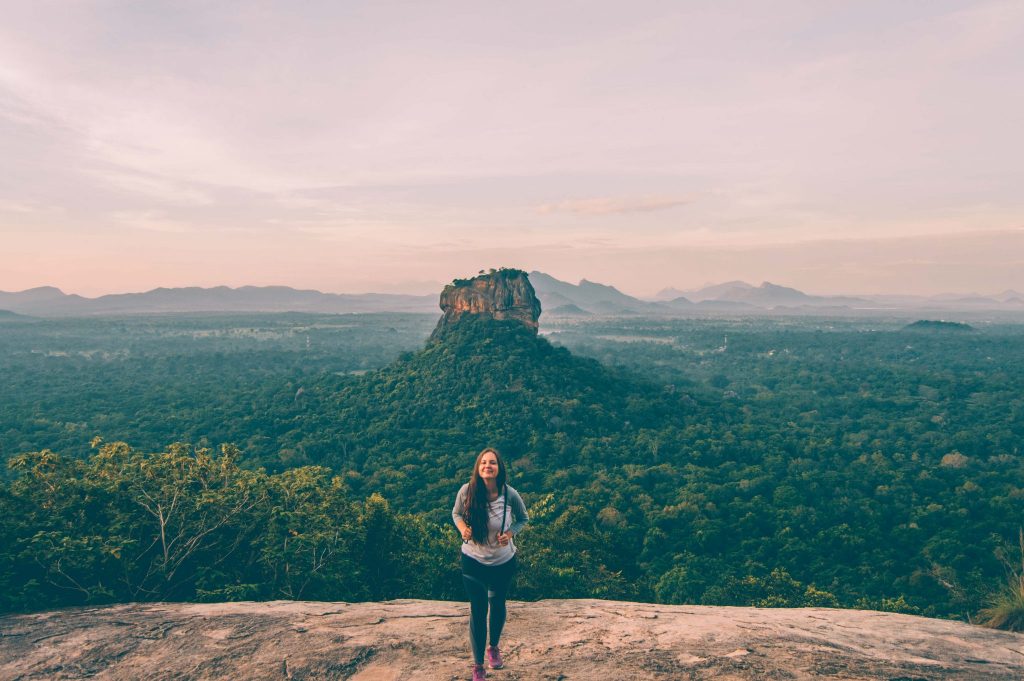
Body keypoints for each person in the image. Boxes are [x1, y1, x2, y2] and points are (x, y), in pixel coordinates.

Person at [452, 447, 529, 681]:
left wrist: (510, 533)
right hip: (473, 561)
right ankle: (478, 665)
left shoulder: (510, 494)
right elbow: (455, 514)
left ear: (499, 468)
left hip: (503, 561)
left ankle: (493, 647)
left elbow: (523, 518)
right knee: (478, 610)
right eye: (484, 462)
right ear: (478, 467)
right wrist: (463, 528)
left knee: (497, 605)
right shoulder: (467, 491)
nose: (488, 466)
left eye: (492, 463)